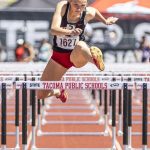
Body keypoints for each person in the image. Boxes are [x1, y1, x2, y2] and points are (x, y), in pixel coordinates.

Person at [37, 0, 118, 102]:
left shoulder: (87, 13)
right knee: (40, 94)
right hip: (58, 58)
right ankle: (58, 92)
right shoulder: (62, 7)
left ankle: (95, 60)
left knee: (81, 45)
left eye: (82, 6)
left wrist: (105, 21)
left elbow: (94, 11)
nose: (79, 9)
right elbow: (53, 29)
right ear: (70, 2)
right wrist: (70, 32)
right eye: (76, 5)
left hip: (75, 56)